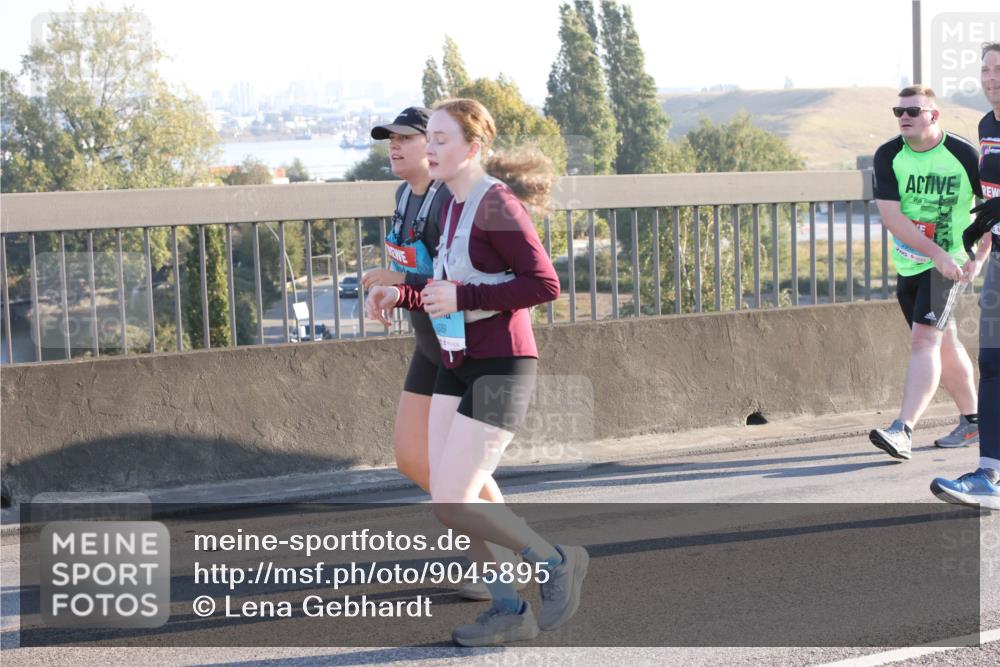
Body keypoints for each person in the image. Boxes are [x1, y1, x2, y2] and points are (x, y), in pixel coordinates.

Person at [365, 98, 588, 646]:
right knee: (448, 503)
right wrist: (401, 292)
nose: (432, 149)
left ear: (474, 147)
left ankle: (554, 561)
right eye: (431, 139)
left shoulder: (495, 205)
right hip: (456, 360)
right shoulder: (449, 208)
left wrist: (461, 294)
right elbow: (442, 284)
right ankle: (509, 609)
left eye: (442, 140)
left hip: (503, 366)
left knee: (455, 498)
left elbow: (544, 285)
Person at [360, 107, 511, 599]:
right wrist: (393, 290)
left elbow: (457, 278)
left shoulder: (454, 199)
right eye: (390, 139)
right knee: (412, 458)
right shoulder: (404, 195)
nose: (395, 146)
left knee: (452, 473)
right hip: (431, 342)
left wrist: (399, 281)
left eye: (406, 137)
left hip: (464, 346)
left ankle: (500, 560)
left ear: (436, 145)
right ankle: (506, 548)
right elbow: (419, 271)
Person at [869, 84, 986, 460]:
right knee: (945, 342)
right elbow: (892, 216)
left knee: (924, 341)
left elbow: (993, 207)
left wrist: (976, 259)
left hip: (949, 264)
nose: (904, 117)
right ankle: (973, 420)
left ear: (934, 116)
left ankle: (903, 429)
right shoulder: (889, 155)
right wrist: (932, 254)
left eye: (913, 111)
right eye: (898, 112)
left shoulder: (963, 153)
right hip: (913, 262)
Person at [931, 42, 1000, 508]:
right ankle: (989, 474)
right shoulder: (986, 125)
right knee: (993, 364)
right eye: (986, 69)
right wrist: (980, 245)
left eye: (999, 69)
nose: (991, 77)